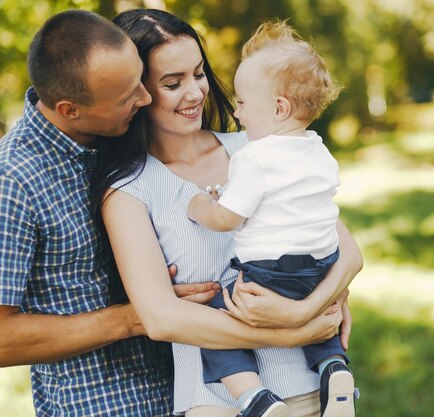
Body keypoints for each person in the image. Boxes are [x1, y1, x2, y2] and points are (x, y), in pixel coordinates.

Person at [96, 8, 363, 417]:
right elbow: (162, 319)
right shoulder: (130, 189)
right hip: (217, 403)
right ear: (139, 92)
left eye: (198, 74)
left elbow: (347, 253)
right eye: (173, 82)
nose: (195, 93)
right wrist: (293, 332)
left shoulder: (260, 148)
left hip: (310, 391)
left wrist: (300, 312)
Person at [0, 9, 222, 416]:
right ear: (70, 110)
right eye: (127, 96)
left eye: (141, 80)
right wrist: (139, 317)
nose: (146, 98)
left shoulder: (124, 138)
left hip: (196, 390)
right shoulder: (9, 183)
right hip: (104, 404)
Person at [186, 20, 357, 417]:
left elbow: (228, 218)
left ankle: (255, 398)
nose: (237, 111)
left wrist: (200, 206)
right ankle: (334, 367)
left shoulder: (253, 157)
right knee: (321, 310)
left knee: (213, 315)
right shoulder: (317, 150)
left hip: (269, 273)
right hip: (321, 267)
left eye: (243, 103)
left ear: (279, 108)